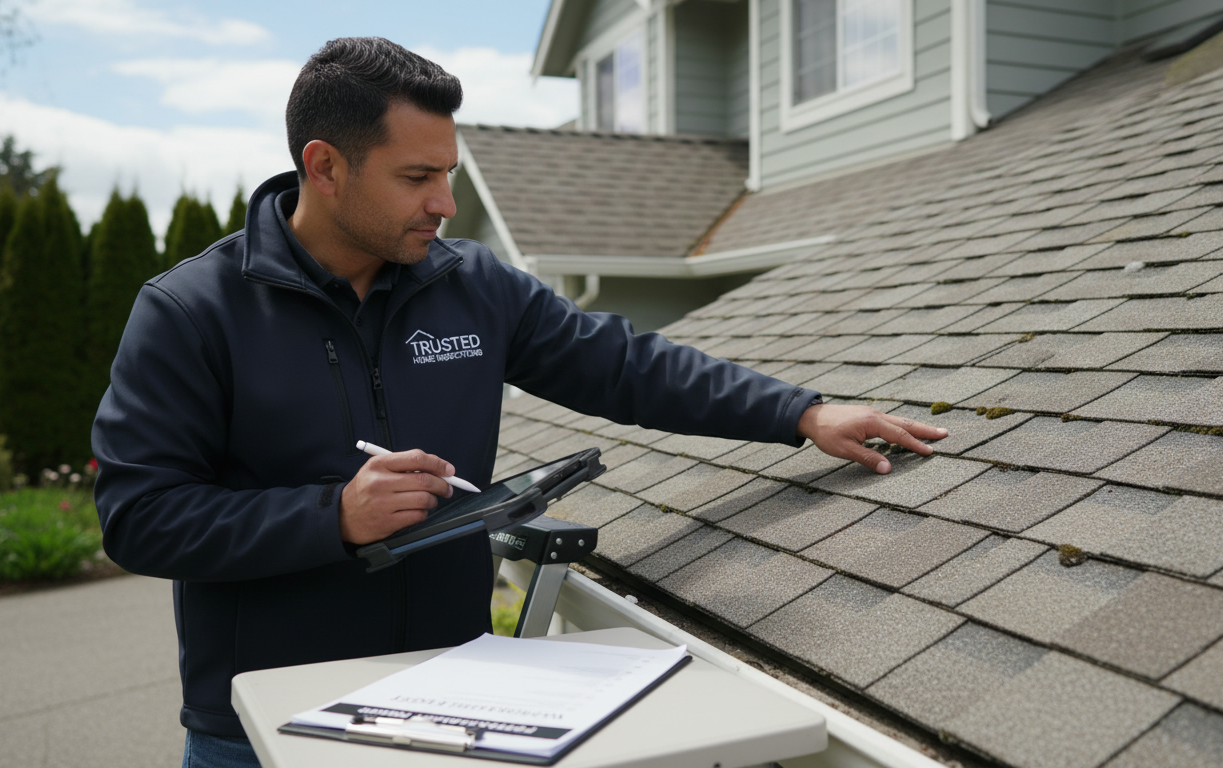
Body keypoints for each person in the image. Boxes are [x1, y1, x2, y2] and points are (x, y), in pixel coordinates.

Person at [91, 37, 948, 768]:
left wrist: (802, 413)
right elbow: (139, 516)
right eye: (418, 175)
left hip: (456, 700)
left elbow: (625, 366)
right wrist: (333, 518)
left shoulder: (474, 288)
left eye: (450, 173)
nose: (445, 203)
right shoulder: (192, 311)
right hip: (262, 729)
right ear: (325, 166)